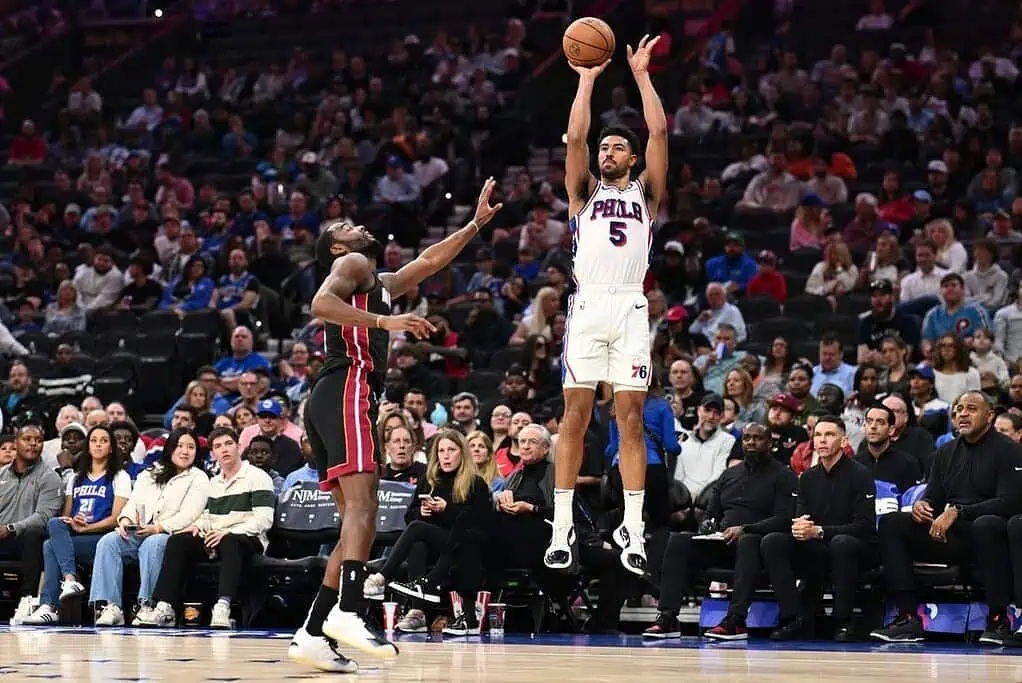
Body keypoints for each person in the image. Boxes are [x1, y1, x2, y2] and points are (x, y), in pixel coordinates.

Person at [292, 178, 502, 670]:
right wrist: (389, 326)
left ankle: (310, 632)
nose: (358, 225)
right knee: (365, 504)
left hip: (333, 396)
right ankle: (347, 609)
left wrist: (473, 225)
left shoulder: (377, 285)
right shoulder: (353, 263)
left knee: (353, 524)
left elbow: (428, 262)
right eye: (346, 226)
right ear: (337, 248)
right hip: (347, 386)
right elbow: (320, 305)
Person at [545, 35, 668, 577]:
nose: (607, 152)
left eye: (618, 148)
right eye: (605, 148)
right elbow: (574, 134)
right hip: (588, 306)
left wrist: (641, 75)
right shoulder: (582, 195)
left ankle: (633, 528)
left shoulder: (646, 194)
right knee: (574, 414)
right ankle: (562, 522)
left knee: (631, 419)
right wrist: (587, 78)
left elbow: (660, 130)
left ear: (633, 157)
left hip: (630, 308)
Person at [870, 392, 1022, 645]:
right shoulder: (945, 453)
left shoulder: (1009, 451)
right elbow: (934, 497)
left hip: (991, 536)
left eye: (971, 409)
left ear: (989, 415)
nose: (962, 414)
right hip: (950, 535)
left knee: (989, 524)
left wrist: (959, 512)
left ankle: (999, 620)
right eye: (958, 409)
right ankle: (908, 617)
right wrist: (923, 506)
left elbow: (1010, 502)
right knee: (892, 523)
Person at [645, 423, 796, 640]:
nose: (751, 443)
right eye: (747, 438)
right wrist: (707, 525)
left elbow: (784, 519)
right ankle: (668, 617)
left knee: (748, 541)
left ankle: (736, 620)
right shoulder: (729, 475)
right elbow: (711, 513)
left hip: (760, 548)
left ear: (770, 443)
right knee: (679, 540)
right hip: (722, 544)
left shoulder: (784, 476)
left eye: (758, 438)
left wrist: (746, 529)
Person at [139, 428, 273, 630]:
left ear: (239, 446)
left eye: (228, 444)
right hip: (215, 538)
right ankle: (164, 606)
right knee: (179, 540)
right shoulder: (213, 482)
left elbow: (264, 519)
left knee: (230, 541)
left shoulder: (257, 477)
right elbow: (206, 517)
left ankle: (222, 607)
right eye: (218, 446)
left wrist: (229, 531)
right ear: (213, 454)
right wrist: (197, 527)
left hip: (247, 538)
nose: (224, 450)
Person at [760, 416, 878, 641]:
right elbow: (801, 517)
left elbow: (865, 526)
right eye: (818, 435)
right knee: (773, 541)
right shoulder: (808, 477)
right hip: (818, 547)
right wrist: (799, 527)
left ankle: (843, 621)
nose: (822, 440)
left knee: (841, 543)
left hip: (857, 548)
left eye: (829, 435)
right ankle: (793, 618)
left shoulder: (860, 474)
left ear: (843, 441)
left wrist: (820, 531)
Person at [365, 430, 490, 635]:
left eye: (451, 450)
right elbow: (410, 515)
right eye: (441, 451)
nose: (446, 455)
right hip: (437, 544)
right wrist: (421, 512)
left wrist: (446, 509)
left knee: (418, 530)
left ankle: (381, 578)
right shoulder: (429, 480)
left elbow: (479, 522)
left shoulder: (475, 483)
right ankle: (418, 614)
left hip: (465, 543)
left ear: (462, 453)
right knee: (417, 543)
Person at [89, 429, 210, 626]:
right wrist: (125, 521)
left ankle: (148, 605)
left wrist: (159, 527)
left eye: (191, 447)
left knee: (153, 544)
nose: (185, 452)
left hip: (171, 534)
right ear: (170, 448)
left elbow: (190, 515)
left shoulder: (198, 477)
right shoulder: (150, 473)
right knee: (109, 542)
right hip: (140, 531)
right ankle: (111, 607)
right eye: (180, 446)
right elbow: (133, 502)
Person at [22, 425, 131, 624]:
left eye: (104, 441)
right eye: (94, 440)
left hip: (103, 538)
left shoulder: (120, 477)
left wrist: (88, 527)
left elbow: (117, 517)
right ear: (88, 446)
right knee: (55, 524)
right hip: (77, 534)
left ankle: (51, 604)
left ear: (111, 448)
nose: (98, 444)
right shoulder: (75, 478)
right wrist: (75, 521)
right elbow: (66, 516)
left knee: (50, 546)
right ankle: (69, 582)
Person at [0, 423, 63, 625]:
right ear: (16, 442)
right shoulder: (1, 475)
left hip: (25, 538)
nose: (33, 444)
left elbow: (44, 516)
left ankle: (28, 599)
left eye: (38, 440)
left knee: (34, 533)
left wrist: (11, 528)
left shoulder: (50, 477)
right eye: (27, 439)